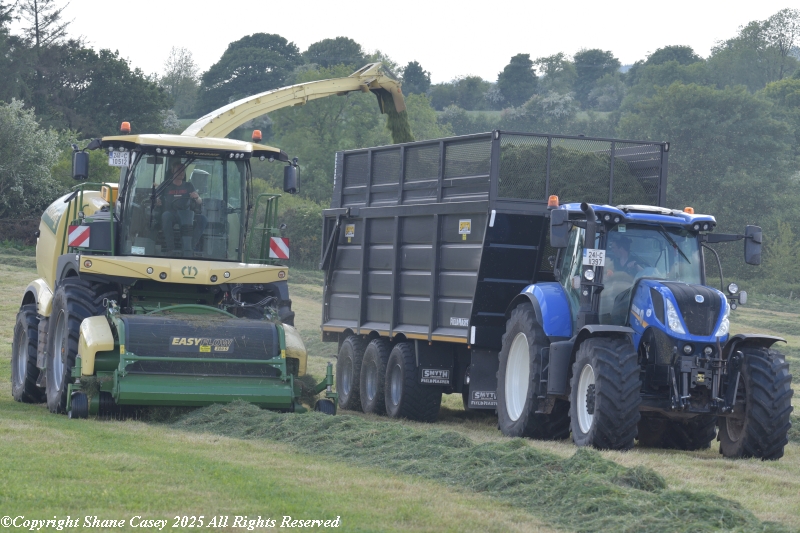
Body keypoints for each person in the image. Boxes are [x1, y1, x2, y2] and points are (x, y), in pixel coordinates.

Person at [157, 159, 207, 253]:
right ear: (173, 171)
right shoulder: (165, 185)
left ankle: (190, 248)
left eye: (183, 170)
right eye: (179, 170)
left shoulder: (189, 185)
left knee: (203, 219)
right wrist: (157, 201)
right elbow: (154, 198)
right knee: (165, 216)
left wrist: (196, 198)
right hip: (172, 214)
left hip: (187, 215)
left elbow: (200, 201)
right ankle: (170, 248)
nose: (182, 172)